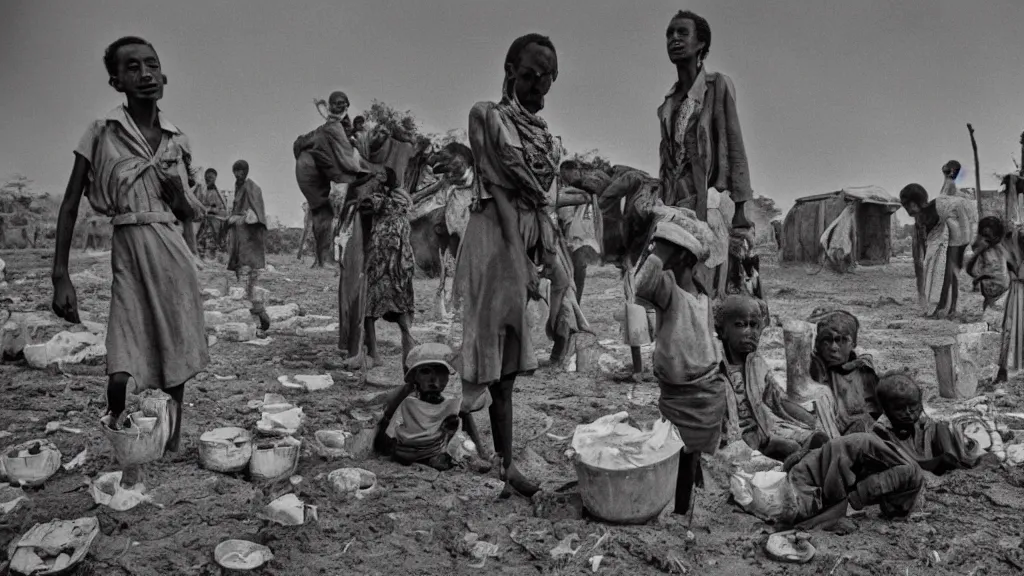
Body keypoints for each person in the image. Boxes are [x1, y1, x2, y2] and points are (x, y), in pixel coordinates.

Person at [51, 36, 208, 452]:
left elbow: (191, 210)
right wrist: (60, 275)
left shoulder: (179, 141)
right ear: (115, 80)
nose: (145, 74)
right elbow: (69, 205)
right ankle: (121, 433)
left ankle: (169, 441)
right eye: (133, 67)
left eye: (152, 65)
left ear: (164, 76)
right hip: (129, 247)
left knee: (175, 350)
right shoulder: (101, 133)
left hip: (172, 250)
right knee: (121, 358)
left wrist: (179, 200)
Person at [456, 33, 588, 497]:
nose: (538, 85)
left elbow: (542, 201)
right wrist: (519, 258)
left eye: (547, 77)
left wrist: (544, 255)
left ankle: (501, 461)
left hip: (525, 240)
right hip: (496, 239)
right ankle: (496, 458)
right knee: (494, 354)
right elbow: (503, 192)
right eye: (530, 74)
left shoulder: (547, 136)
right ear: (510, 70)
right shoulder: (487, 117)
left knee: (507, 357)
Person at [658, 10, 755, 300]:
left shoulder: (716, 87)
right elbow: (668, 161)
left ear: (701, 44)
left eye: (682, 33)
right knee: (674, 288)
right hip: (676, 206)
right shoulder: (668, 103)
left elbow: (735, 145)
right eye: (669, 34)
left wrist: (740, 215)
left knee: (709, 289)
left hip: (711, 202)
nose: (674, 39)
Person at [634, 217, 724, 525]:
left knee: (688, 451)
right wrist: (657, 255)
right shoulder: (666, 289)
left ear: (683, 256)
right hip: (680, 391)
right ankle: (682, 501)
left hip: (704, 388)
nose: (656, 253)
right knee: (682, 448)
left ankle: (682, 510)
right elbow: (640, 286)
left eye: (664, 249)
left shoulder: (699, 295)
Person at [717, 295, 829, 460]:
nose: (750, 332)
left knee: (808, 442)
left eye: (754, 325)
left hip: (761, 435)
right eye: (740, 325)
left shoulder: (756, 363)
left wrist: (812, 420)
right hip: (731, 445)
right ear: (722, 331)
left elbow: (778, 400)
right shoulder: (714, 368)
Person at [780, 433, 923, 529]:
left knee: (814, 476)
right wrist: (855, 500)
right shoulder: (910, 475)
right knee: (802, 506)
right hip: (844, 454)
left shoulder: (908, 472)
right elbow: (871, 488)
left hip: (844, 450)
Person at [373, 343, 476, 471]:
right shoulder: (408, 401)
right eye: (426, 372)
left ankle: (433, 455)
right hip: (407, 450)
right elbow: (387, 422)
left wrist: (481, 452)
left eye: (440, 372)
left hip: (431, 447)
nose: (434, 381)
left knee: (453, 423)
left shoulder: (449, 405)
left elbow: (467, 411)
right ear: (415, 376)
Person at [361, 167, 417, 368]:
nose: (377, 177)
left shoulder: (391, 201)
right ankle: (375, 353)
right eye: (375, 175)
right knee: (372, 308)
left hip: (395, 262)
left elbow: (367, 203)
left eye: (381, 175)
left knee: (396, 308)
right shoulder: (390, 201)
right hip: (386, 261)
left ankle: (406, 351)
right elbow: (366, 204)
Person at [872, 372, 979, 474]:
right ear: (885, 409)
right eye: (899, 408)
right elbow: (904, 463)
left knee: (942, 425)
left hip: (934, 458)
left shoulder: (924, 417)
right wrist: (937, 463)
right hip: (913, 468)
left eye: (913, 405)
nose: (909, 413)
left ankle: (955, 461)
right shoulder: (882, 429)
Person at [900, 183, 978, 319]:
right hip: (939, 247)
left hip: (953, 242)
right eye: (905, 206)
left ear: (919, 202)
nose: (907, 209)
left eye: (909, 205)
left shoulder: (938, 208)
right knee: (934, 274)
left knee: (950, 274)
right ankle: (938, 307)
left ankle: (951, 308)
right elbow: (919, 251)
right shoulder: (919, 219)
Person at [808, 309, 880, 435]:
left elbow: (877, 413)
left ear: (853, 343)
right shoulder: (816, 369)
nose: (833, 347)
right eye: (827, 340)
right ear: (818, 345)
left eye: (842, 340)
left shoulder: (864, 373)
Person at [967, 216, 1018, 383]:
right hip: (989, 296)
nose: (987, 241)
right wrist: (979, 252)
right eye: (984, 237)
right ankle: (992, 366)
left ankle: (1001, 368)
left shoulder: (1002, 250)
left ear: (998, 237)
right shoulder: (981, 253)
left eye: (991, 238)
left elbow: (1013, 267)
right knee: (989, 326)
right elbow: (971, 270)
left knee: (1003, 330)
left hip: (1004, 294)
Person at [227, 159, 271, 336]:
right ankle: (257, 316)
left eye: (241, 171)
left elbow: (256, 214)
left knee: (248, 279)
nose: (238, 174)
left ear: (246, 171)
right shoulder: (237, 188)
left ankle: (259, 316)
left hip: (249, 240)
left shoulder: (252, 187)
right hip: (239, 237)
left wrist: (240, 218)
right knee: (241, 275)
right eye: (235, 171)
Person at [557, 160, 604, 303]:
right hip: (567, 240)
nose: (577, 173)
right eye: (574, 170)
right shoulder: (561, 191)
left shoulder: (586, 193)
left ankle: (575, 307)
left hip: (581, 241)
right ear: (564, 172)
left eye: (578, 170)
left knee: (577, 274)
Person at [196, 167, 228, 261]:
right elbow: (197, 205)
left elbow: (223, 211)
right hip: (202, 218)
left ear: (215, 179)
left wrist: (212, 210)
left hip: (215, 220)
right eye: (207, 177)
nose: (208, 179)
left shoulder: (218, 194)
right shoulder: (201, 191)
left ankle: (211, 256)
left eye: (211, 177)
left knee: (211, 232)